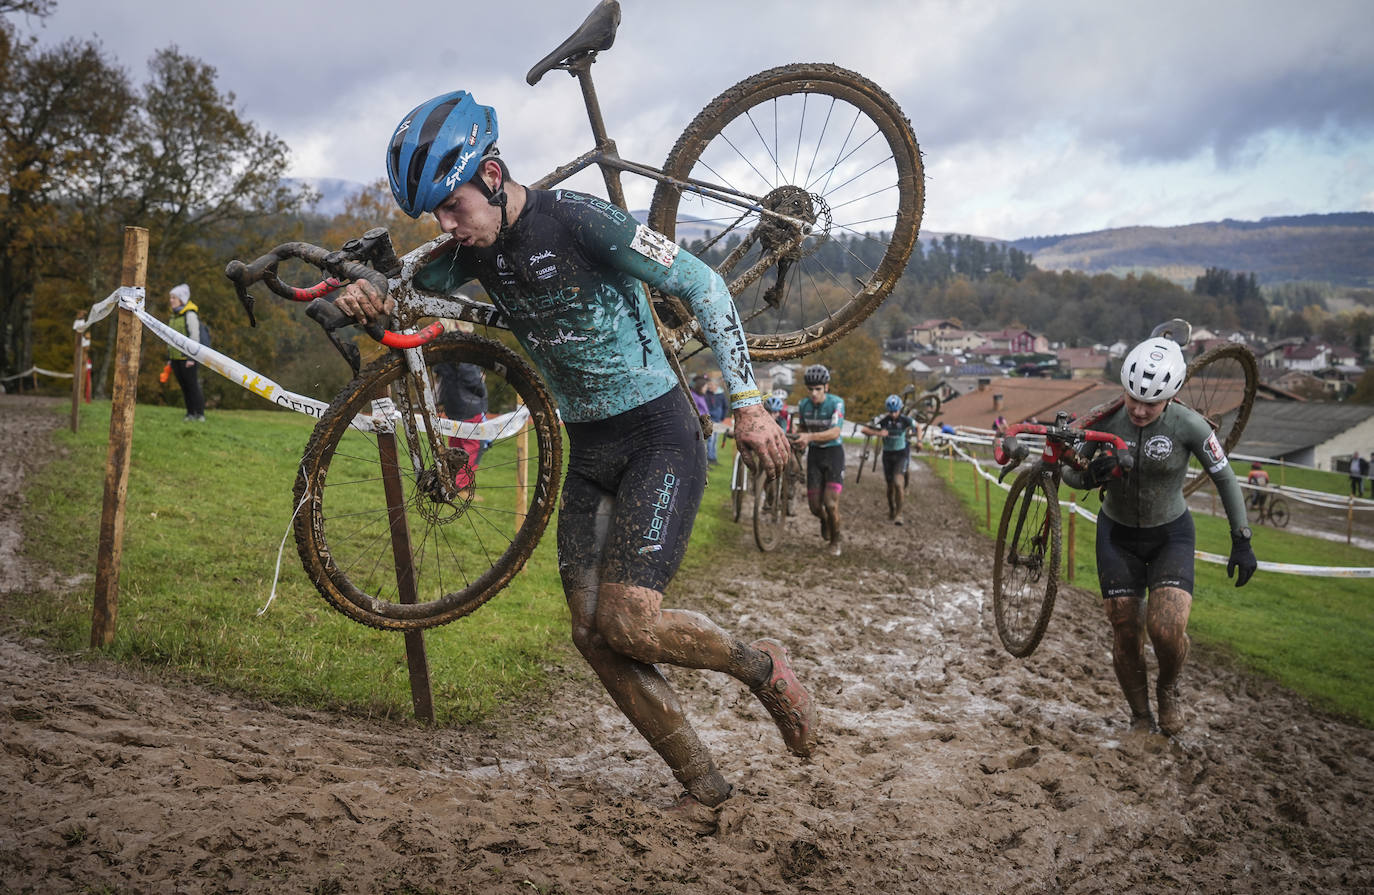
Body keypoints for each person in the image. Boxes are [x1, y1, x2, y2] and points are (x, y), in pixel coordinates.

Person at [334, 91, 815, 810]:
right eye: (434, 213)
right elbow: (400, 299)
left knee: (632, 621)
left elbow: (705, 285)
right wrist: (365, 298)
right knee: (593, 635)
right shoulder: (472, 248)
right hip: (589, 445)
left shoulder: (583, 220)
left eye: (453, 204)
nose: (446, 224)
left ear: (493, 176)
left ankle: (762, 666)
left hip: (659, 433)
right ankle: (704, 785)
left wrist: (747, 405)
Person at [1057, 336, 1256, 736]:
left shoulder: (1190, 425)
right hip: (1117, 535)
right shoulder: (1107, 418)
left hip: (1170, 535)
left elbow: (1224, 475)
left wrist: (1242, 538)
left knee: (1166, 630)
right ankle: (1140, 716)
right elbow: (1069, 469)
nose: (1140, 409)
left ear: (1172, 396)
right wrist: (1088, 475)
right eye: (1133, 398)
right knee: (1125, 628)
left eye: (1151, 402)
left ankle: (1168, 688)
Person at [794, 364, 846, 555]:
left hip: (834, 454)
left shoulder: (836, 403)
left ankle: (835, 540)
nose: (814, 393)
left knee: (831, 504)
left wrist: (809, 437)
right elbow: (802, 429)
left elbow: (835, 432)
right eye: (810, 389)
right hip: (815, 456)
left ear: (826, 387)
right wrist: (797, 436)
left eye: (818, 389)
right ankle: (824, 519)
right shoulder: (803, 405)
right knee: (815, 507)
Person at [433, 320, 488, 496]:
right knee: (473, 446)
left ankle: (447, 481)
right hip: (469, 405)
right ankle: (460, 487)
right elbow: (471, 376)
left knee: (455, 445)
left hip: (451, 404)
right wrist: (481, 387)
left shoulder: (444, 345)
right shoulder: (462, 344)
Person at [858, 394, 918, 525]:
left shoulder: (905, 420)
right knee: (890, 487)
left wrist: (919, 441)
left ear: (900, 409)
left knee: (898, 483)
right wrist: (878, 433)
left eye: (896, 411)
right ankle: (891, 509)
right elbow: (864, 429)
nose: (893, 414)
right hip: (888, 455)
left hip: (901, 454)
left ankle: (899, 514)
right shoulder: (882, 419)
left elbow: (918, 426)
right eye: (891, 411)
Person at [166, 283, 206, 422]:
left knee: (192, 385)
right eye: (171, 297)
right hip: (175, 358)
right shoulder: (173, 316)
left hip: (188, 358)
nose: (171, 300)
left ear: (181, 299)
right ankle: (190, 413)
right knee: (184, 387)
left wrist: (191, 357)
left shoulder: (189, 315)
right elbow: (170, 338)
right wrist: (170, 357)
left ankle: (200, 414)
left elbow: (194, 337)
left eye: (174, 297)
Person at [689, 374, 717, 466]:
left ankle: (703, 464)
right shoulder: (694, 396)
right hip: (698, 425)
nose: (706, 389)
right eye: (705, 387)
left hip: (704, 425)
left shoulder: (701, 396)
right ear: (700, 386)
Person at [704, 378, 728, 465]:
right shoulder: (706, 394)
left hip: (718, 420)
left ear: (716, 386)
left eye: (711, 385)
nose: (709, 387)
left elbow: (725, 406)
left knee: (715, 440)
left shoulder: (721, 395)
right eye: (709, 385)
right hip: (710, 420)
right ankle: (709, 458)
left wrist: (722, 417)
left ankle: (713, 458)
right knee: (711, 439)